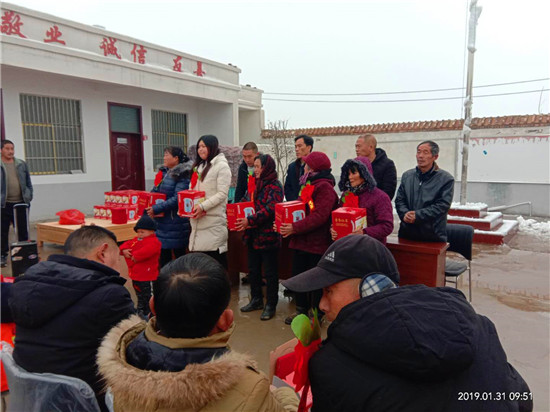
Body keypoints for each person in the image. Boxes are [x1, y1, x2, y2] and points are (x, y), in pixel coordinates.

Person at [282, 235, 533, 412]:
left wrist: (283, 395)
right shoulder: (481, 328)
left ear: (369, 288)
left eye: (329, 291)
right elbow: (522, 399)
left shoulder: (329, 367)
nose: (322, 305)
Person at [97, 253, 299, 412]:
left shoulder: (120, 362)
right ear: (225, 320)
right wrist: (283, 395)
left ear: (153, 306)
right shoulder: (250, 387)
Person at [8, 226, 135, 409]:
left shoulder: (28, 281)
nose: (119, 269)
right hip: (85, 402)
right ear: (103, 253)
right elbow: (136, 348)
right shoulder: (109, 295)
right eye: (117, 260)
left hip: (34, 400)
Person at [280, 151, 338, 325]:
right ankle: (301, 310)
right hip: (301, 241)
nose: (303, 168)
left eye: (306, 165)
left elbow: (319, 216)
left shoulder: (325, 188)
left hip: (316, 244)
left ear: (313, 168)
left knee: (315, 281)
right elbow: (299, 209)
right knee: (299, 277)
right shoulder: (308, 185)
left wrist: (295, 227)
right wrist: (284, 221)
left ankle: (316, 314)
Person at [236, 154, 284, 320]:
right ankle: (256, 299)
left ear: (266, 167)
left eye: (258, 167)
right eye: (254, 167)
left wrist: (249, 220)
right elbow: (245, 201)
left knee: (270, 273)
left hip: (268, 236)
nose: (255, 170)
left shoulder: (275, 186)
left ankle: (271, 304)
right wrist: (235, 210)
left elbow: (270, 209)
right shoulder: (254, 183)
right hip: (252, 235)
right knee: (253, 270)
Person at [395, 140, 454, 242]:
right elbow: (400, 200)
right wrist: (405, 214)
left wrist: (418, 215)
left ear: (435, 157)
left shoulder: (446, 179)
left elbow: (442, 206)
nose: (420, 156)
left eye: (425, 152)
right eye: (418, 152)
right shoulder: (407, 176)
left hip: (432, 235)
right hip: (407, 232)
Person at [188, 135, 232, 268]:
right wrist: (186, 207)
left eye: (204, 146)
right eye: (199, 147)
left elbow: (222, 194)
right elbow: (192, 191)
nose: (200, 150)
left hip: (213, 223)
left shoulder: (221, 166)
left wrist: (203, 206)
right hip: (198, 222)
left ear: (212, 147)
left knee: (214, 264)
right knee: (200, 267)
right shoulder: (199, 166)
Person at [146, 146, 192, 268]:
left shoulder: (182, 175)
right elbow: (156, 190)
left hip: (175, 221)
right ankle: (164, 278)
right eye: (164, 155)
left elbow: (178, 198)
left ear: (176, 158)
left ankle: (181, 278)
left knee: (179, 256)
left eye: (167, 155)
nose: (164, 158)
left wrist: (157, 208)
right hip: (162, 221)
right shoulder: (165, 173)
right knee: (164, 257)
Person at [331, 156, 393, 244]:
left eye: (354, 173)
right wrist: (334, 229)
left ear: (364, 174)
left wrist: (364, 232)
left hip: (371, 246)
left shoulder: (380, 197)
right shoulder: (346, 194)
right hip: (347, 245)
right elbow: (338, 218)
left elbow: (387, 226)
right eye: (348, 174)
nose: (350, 177)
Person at [119, 213, 162, 319]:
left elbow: (146, 251)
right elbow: (125, 245)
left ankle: (149, 314)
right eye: (138, 232)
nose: (139, 234)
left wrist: (135, 255)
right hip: (136, 275)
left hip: (148, 276)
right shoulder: (136, 240)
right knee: (139, 295)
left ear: (152, 231)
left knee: (148, 296)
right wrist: (123, 250)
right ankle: (141, 311)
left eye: (142, 232)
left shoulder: (154, 242)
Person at [1, 139, 33, 268]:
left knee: (22, 231)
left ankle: (24, 255)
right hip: (3, 204)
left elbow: (28, 182)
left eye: (12, 149)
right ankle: (2, 255)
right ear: (1, 150)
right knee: (2, 231)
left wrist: (29, 195)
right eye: (7, 149)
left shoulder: (21, 164)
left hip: (21, 204)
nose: (10, 151)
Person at [355, 134, 397, 200]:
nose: (357, 149)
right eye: (356, 146)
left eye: (359, 146)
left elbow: (389, 192)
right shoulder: (355, 165)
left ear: (371, 147)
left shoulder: (387, 165)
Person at [284, 134, 313, 201]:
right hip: (294, 204)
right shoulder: (292, 167)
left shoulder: (314, 166)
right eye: (296, 147)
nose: (296, 149)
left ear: (309, 147)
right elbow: (287, 187)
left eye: (300, 146)